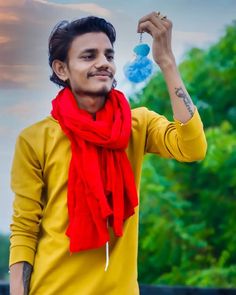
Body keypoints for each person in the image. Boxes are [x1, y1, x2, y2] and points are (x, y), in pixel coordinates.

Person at [9, 12, 207, 295]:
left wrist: (167, 62)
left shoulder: (137, 125)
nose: (103, 63)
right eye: (89, 56)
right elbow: (25, 229)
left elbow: (193, 148)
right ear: (62, 69)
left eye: (109, 55)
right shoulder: (35, 138)